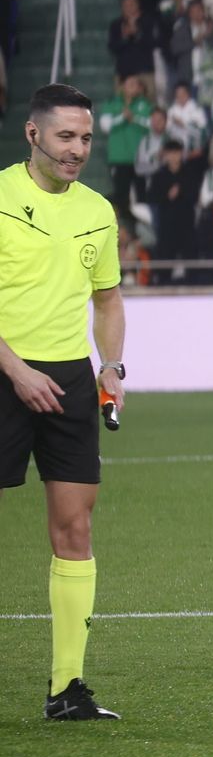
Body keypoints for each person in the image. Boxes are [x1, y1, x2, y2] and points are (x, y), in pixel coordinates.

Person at [0, 84, 125, 720]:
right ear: (32, 134)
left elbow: (107, 299)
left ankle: (67, 689)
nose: (77, 150)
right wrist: (16, 371)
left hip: (71, 382)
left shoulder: (98, 211)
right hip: (4, 372)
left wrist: (110, 366)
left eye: (84, 138)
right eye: (65, 137)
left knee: (75, 528)